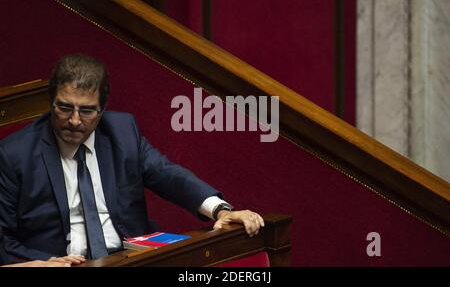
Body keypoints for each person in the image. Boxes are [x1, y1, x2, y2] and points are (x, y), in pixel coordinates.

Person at [0, 54, 264, 262]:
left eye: (88, 110)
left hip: (131, 260)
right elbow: (3, 239)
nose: (75, 120)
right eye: (65, 107)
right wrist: (43, 263)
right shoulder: (15, 154)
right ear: (51, 103)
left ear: (103, 109)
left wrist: (220, 209)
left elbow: (168, 174)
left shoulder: (122, 132)